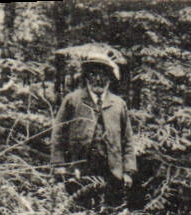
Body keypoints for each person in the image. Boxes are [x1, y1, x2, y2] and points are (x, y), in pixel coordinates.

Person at [50, 53, 136, 206]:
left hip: (112, 172)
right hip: (79, 170)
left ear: (109, 79)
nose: (98, 79)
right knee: (79, 212)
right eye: (93, 74)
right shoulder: (73, 100)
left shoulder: (118, 104)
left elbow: (127, 139)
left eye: (103, 75)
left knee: (109, 213)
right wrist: (59, 165)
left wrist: (128, 171)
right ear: (86, 77)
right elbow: (58, 134)